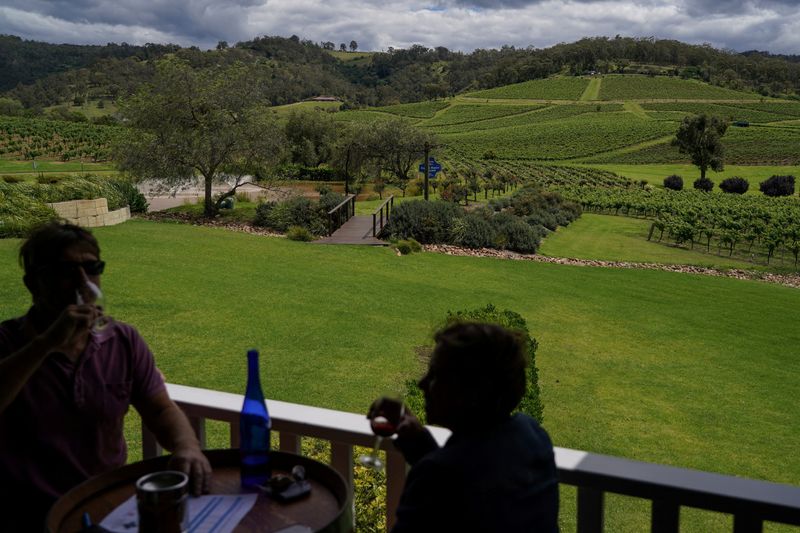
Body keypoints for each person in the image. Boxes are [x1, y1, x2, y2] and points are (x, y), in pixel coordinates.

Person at [0, 222, 212, 532]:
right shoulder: (7, 344)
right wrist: (45, 345)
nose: (82, 282)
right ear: (34, 283)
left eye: (91, 267)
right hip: (29, 517)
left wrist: (187, 448)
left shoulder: (123, 341)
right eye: (65, 270)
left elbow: (160, 409)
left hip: (108, 510)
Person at [379, 322, 559, 532]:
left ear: (471, 393)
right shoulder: (532, 435)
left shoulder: (438, 475)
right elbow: (475, 491)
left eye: (437, 375)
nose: (422, 383)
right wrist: (419, 443)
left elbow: (452, 482)